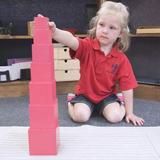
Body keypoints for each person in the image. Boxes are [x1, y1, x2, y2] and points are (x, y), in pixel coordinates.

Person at [39, 1, 144, 126]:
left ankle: (117, 102)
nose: (105, 31)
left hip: (107, 96)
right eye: (102, 25)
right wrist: (55, 32)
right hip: (85, 95)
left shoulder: (121, 59)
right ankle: (71, 100)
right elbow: (71, 40)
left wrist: (130, 113)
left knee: (115, 117)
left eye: (112, 27)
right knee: (80, 117)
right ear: (96, 25)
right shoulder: (87, 46)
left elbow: (127, 87)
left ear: (120, 33)